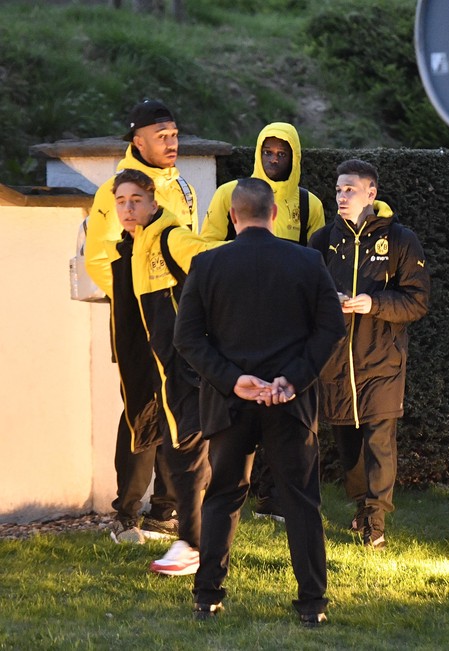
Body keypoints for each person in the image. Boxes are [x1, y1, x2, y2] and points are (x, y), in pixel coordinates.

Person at [174, 178, 345, 626]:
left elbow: (187, 337)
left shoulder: (207, 264)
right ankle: (313, 605)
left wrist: (235, 381)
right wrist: (292, 379)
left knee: (223, 497)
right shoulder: (308, 261)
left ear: (233, 217)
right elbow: (331, 328)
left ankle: (207, 595)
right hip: (290, 402)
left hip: (230, 404)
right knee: (301, 500)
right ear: (273, 215)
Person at [85, 98, 199, 543]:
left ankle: (165, 511)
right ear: (138, 140)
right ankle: (126, 512)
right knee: (140, 409)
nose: (172, 142)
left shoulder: (182, 187)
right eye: (161, 136)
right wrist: (138, 299)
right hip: (137, 318)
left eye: (174, 134)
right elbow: (99, 258)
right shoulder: (116, 189)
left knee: (177, 406)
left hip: (177, 318)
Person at [201, 122, 328, 521]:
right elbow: (206, 246)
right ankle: (232, 495)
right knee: (239, 410)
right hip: (238, 314)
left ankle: (273, 499)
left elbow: (317, 263)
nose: (274, 159)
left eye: (282, 153)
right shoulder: (229, 194)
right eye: (268, 152)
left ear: (295, 157)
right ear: (258, 152)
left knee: (285, 404)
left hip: (289, 321)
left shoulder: (309, 204)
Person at [309, 159, 431, 550]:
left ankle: (376, 522)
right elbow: (307, 296)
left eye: (349, 189)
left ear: (371, 193)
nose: (341, 197)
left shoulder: (399, 239)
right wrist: (333, 304)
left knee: (379, 438)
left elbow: (417, 300)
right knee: (348, 442)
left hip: (382, 360)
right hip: (336, 362)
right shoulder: (322, 240)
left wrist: (372, 304)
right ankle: (362, 506)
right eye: (338, 190)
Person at [108, 169, 219, 576]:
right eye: (121, 201)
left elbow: (213, 263)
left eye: (136, 199)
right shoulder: (129, 248)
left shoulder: (170, 236)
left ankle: (189, 541)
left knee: (185, 452)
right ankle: (175, 534)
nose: (128, 208)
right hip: (155, 368)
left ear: (154, 203)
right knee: (160, 442)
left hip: (182, 368)